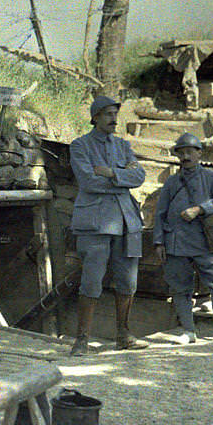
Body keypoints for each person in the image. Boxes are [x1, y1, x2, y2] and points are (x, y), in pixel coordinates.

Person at [69, 95, 148, 356]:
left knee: (128, 281)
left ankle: (123, 335)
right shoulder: (80, 146)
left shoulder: (123, 147)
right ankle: (81, 340)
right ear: (94, 118)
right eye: (107, 114)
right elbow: (88, 182)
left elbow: (139, 176)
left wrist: (113, 173)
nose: (114, 119)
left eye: (115, 114)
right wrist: (122, 178)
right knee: (91, 282)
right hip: (95, 223)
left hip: (127, 221)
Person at [153, 133, 213, 343]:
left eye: (190, 151)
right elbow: (160, 212)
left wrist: (200, 208)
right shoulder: (172, 181)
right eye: (181, 152)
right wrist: (158, 241)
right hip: (176, 243)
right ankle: (188, 331)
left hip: (206, 241)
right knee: (180, 288)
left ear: (199, 153)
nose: (185, 156)